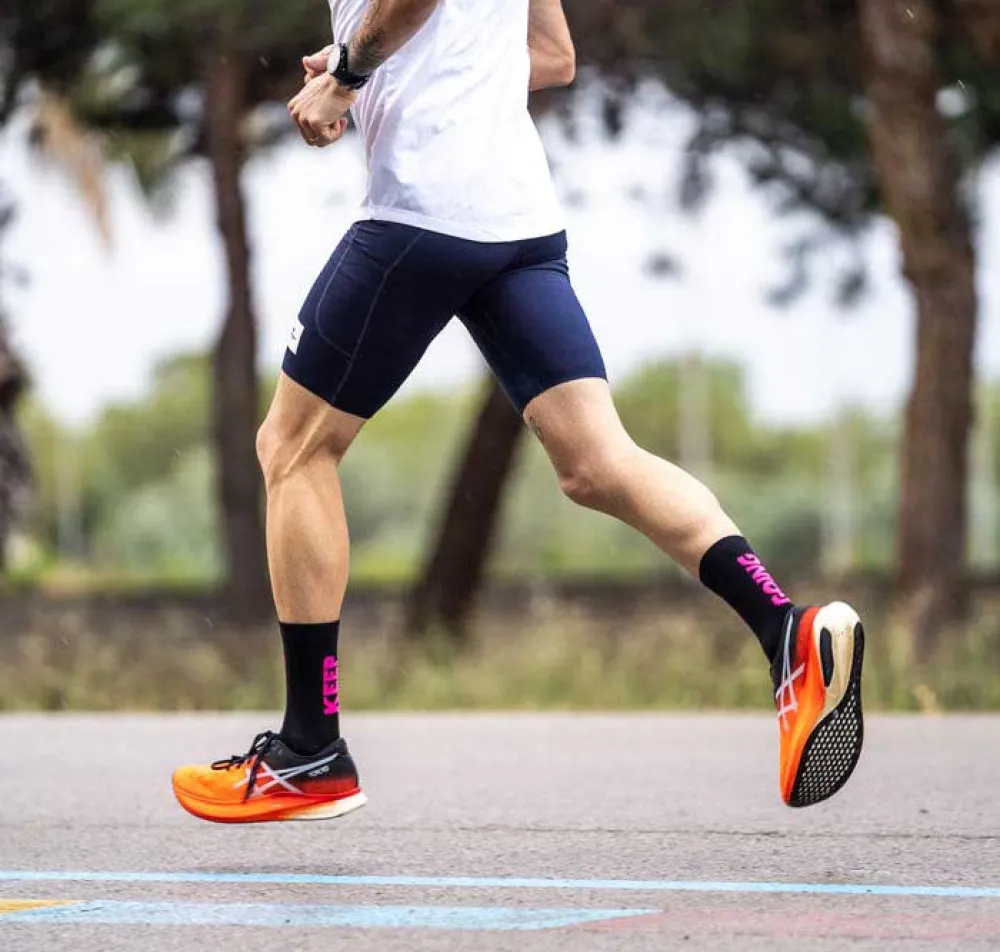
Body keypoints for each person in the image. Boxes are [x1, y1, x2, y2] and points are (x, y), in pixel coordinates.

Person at [171, 0, 865, 823]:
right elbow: (552, 53)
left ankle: (310, 748)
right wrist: (389, 60)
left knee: (293, 449)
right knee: (598, 464)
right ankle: (787, 631)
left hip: (424, 211)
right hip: (520, 223)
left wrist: (352, 73)